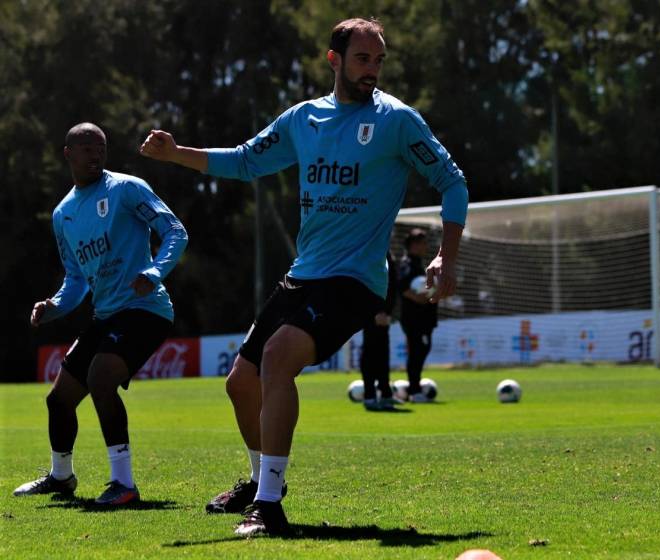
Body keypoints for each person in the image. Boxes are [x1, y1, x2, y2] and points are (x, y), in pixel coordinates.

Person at [139, 16, 467, 536]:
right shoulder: (303, 119)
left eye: (379, 60)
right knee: (240, 384)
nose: (372, 71)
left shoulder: (397, 121)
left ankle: (269, 508)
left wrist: (445, 254)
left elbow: (453, 183)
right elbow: (246, 162)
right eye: (363, 59)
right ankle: (259, 481)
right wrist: (177, 154)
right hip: (303, 275)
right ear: (334, 59)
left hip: (356, 279)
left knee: (276, 360)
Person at [14, 123, 188, 505]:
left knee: (101, 377)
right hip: (106, 315)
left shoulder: (126, 188)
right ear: (68, 153)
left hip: (146, 309)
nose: (95, 154)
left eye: (101, 147)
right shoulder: (63, 214)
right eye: (86, 147)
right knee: (58, 400)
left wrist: (154, 272)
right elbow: (76, 279)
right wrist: (54, 306)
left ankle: (123, 484)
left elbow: (176, 231)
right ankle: (61, 477)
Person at [398, 228, 439, 402]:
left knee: (422, 350)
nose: (426, 246)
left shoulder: (419, 263)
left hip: (424, 316)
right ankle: (414, 391)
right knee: (416, 352)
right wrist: (419, 297)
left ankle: (414, 388)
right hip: (414, 317)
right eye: (423, 242)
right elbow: (402, 287)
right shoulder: (407, 264)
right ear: (414, 245)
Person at [361, 251, 399, 411]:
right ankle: (370, 395)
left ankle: (385, 393)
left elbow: (392, 285)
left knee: (383, 352)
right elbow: (364, 282)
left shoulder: (386, 253)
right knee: (370, 352)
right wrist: (374, 311)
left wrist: (387, 311)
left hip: (384, 313)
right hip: (371, 312)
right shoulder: (367, 251)